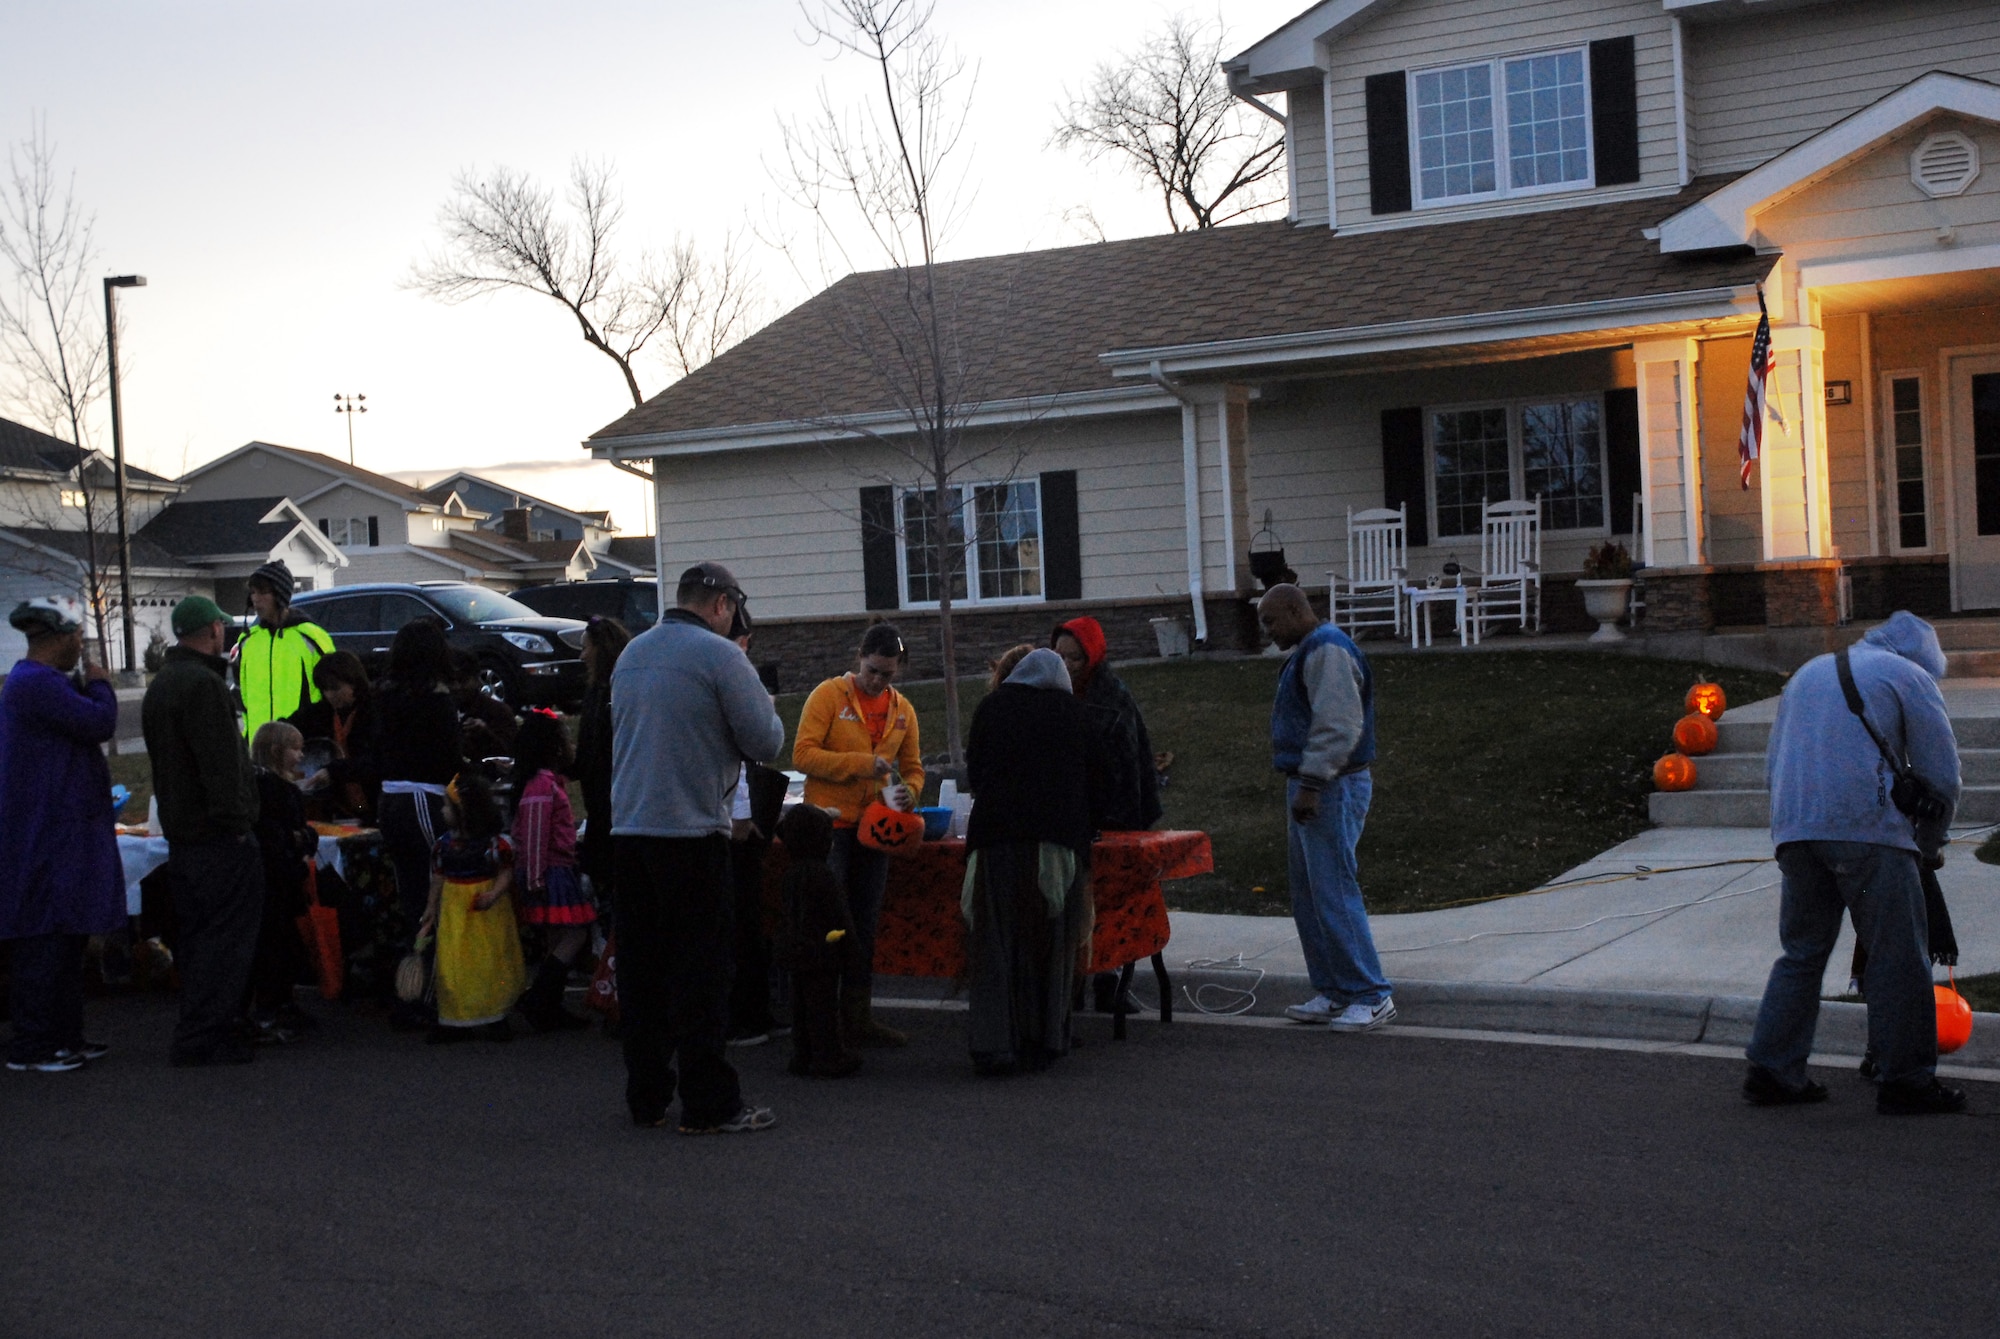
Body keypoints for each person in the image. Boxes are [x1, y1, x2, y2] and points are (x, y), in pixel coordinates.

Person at [1746, 611, 1966, 1115]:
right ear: (1923, 660)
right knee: (1898, 956)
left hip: (1798, 833)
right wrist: (1930, 844)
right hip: (1867, 835)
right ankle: (1906, 1081)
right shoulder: (1908, 676)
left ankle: (1772, 1070)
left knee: (1801, 952)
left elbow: (1772, 762)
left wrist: (1790, 827)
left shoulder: (1808, 673)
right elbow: (1942, 776)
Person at [611, 561, 783, 1134]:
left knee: (643, 972)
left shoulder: (631, 654)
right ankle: (709, 1103)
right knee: (701, 972)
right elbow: (766, 740)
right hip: (690, 833)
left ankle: (647, 1096)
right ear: (722, 605)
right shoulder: (721, 656)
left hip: (629, 830)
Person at [1257, 584, 1395, 1033]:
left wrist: (1313, 783)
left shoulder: (1327, 649)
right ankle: (1335, 991)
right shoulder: (1311, 649)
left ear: (1296, 610)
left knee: (1333, 890)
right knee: (1311, 895)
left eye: (1271, 621)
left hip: (1331, 785)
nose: (1268, 631)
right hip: (1313, 783)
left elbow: (1338, 724)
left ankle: (1371, 995)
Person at [0, 598, 124, 1073]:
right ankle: (34, 1043)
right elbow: (98, 722)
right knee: (45, 938)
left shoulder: (36, 683)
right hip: (47, 835)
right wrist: (101, 684)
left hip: (60, 830)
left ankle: (65, 1035)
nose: (81, 647)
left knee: (67, 936)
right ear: (59, 638)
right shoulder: (35, 685)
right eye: (77, 637)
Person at [143, 595, 265, 1066]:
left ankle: (200, 1027)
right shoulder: (203, 686)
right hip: (217, 835)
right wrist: (237, 823)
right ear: (213, 630)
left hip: (184, 834)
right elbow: (221, 766)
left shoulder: (164, 683)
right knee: (226, 940)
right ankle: (209, 1033)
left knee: (198, 938)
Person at [962, 648, 1096, 1075]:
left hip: (994, 838)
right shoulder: (1073, 713)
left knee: (995, 941)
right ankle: (1045, 1037)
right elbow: (1092, 777)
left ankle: (994, 1043)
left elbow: (975, 771)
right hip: (1056, 841)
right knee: (1051, 941)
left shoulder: (992, 708)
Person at [792, 623, 925, 1049]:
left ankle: (858, 1017)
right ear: (859, 659)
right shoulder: (828, 696)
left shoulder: (903, 710)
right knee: (830, 924)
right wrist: (860, 764)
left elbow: (914, 768)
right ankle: (822, 1020)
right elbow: (803, 755)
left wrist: (909, 793)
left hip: (874, 830)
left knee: (864, 926)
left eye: (887, 674)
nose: (878, 680)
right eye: (872, 671)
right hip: (830, 828)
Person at [1051, 615, 1163, 1016]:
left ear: (1092, 657)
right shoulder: (1053, 694)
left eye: (1074, 658)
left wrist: (1119, 817)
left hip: (1110, 814)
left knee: (1109, 898)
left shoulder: (1112, 697)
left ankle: (1107, 979)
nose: (1066, 665)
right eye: (1060, 656)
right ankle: (1074, 980)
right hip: (1068, 815)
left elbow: (1128, 764)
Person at [374, 617, 464, 1030]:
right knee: (435, 896)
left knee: (411, 898)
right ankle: (431, 994)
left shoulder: (385, 696)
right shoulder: (438, 701)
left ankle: (407, 990)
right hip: (424, 798)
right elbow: (448, 760)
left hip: (389, 798)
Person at [419, 772, 526, 1043]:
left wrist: (494, 894)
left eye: (446, 806)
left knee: (490, 961)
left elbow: (505, 871)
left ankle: (494, 1014)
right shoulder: (443, 845)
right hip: (455, 911)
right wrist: (431, 908)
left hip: (486, 911)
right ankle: (456, 1017)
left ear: (464, 812)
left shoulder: (494, 844)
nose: (442, 811)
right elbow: (438, 877)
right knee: (454, 963)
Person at [511, 709, 592, 1032]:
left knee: (557, 937)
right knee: (575, 932)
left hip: (552, 869)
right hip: (550, 871)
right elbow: (535, 834)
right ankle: (541, 998)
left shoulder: (542, 783)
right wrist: (535, 878)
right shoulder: (542, 785)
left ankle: (548, 1004)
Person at [246, 721, 319, 1044]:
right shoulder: (275, 789)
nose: (301, 756)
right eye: (296, 749)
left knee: (281, 944)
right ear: (278, 752)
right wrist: (300, 839)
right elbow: (279, 835)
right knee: (277, 946)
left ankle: (280, 1003)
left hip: (272, 876)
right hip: (279, 877)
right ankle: (272, 1007)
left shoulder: (258, 786)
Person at [234, 560, 335, 739]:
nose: (255, 598)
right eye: (253, 592)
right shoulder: (247, 641)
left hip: (302, 745)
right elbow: (243, 701)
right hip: (259, 746)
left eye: (263, 592)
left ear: (279, 594)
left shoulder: (311, 637)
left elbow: (332, 693)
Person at [573, 616, 632, 918]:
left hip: (616, 804)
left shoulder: (617, 692)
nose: (582, 656)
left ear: (602, 648)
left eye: (586, 648)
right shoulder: (596, 692)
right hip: (599, 805)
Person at [286, 650, 378, 821]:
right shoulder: (320, 713)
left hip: (375, 801)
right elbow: (286, 727)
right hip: (340, 807)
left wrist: (334, 771)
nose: (330, 695)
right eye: (324, 689)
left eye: (335, 688)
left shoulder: (376, 712)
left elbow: (378, 760)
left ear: (354, 683)